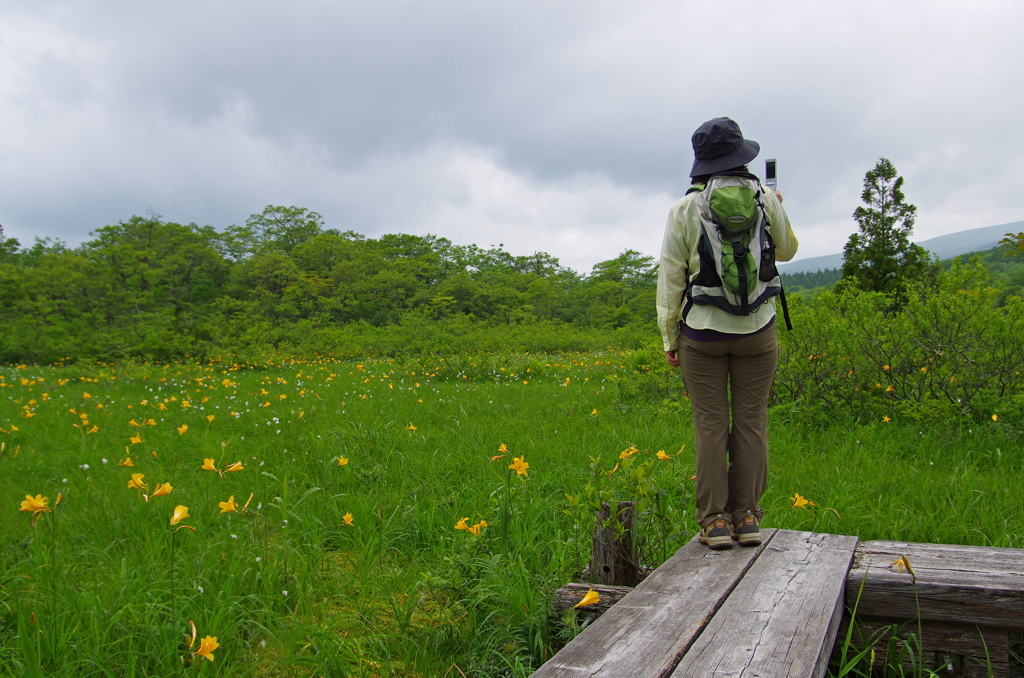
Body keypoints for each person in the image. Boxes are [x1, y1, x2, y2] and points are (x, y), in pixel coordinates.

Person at [656, 117, 798, 549]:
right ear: (741, 155)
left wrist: (669, 338)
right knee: (752, 424)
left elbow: (670, 279)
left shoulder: (684, 209)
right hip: (759, 330)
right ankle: (749, 518)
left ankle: (715, 522)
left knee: (711, 426)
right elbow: (788, 250)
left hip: (703, 334)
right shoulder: (762, 198)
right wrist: (777, 204)